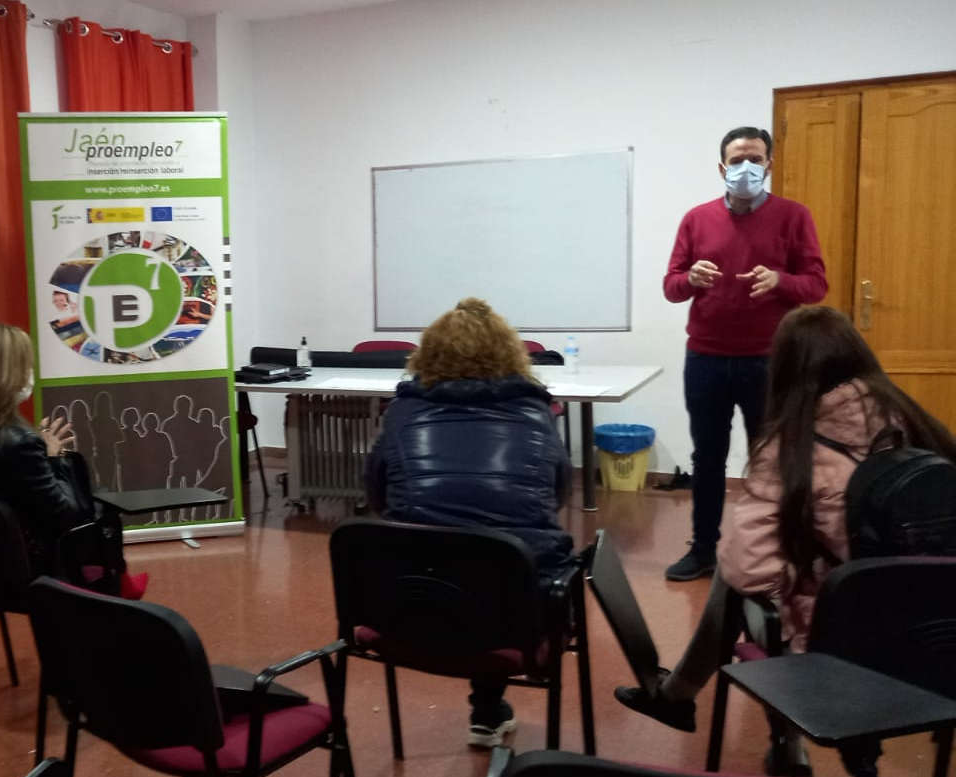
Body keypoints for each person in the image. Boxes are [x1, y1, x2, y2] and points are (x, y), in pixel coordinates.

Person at [617, 306, 956, 776]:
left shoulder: (789, 450)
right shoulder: (917, 424)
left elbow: (748, 572)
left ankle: (762, 732)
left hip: (839, 650)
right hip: (935, 639)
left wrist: (799, 566)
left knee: (737, 581)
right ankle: (687, 699)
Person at [364, 298, 575, 748]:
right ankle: (487, 710)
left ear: (428, 354)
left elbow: (376, 496)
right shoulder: (536, 413)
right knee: (500, 562)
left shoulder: (401, 414)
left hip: (407, 611)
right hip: (514, 618)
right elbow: (556, 497)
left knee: (463, 563)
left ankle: (488, 711)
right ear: (509, 353)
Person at [661, 126, 829, 581]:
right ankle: (703, 550)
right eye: (736, 161)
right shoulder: (696, 219)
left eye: (755, 159)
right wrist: (689, 279)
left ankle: (774, 551)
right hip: (706, 359)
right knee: (707, 457)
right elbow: (671, 286)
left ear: (769, 164)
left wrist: (781, 281)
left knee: (772, 458)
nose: (745, 168)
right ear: (722, 168)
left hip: (769, 360)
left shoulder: (794, 216)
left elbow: (816, 285)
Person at [0, 322, 145, 599]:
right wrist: (53, 457)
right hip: (12, 569)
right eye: (25, 365)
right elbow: (67, 515)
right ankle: (114, 583)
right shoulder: (18, 440)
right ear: (5, 374)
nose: (29, 373)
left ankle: (118, 580)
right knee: (101, 510)